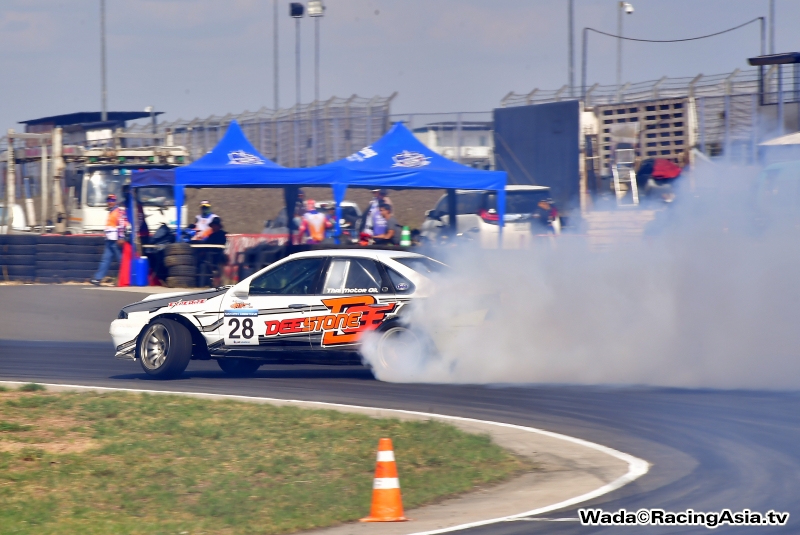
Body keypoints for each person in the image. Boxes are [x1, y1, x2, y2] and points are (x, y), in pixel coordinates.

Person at [91, 194, 128, 285]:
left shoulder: (119, 212)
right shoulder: (111, 212)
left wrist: (121, 237)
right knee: (105, 259)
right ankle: (98, 278)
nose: (110, 202)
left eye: (112, 200)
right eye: (108, 200)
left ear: (115, 201)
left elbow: (122, 225)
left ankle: (127, 279)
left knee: (121, 260)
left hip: (116, 240)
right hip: (109, 240)